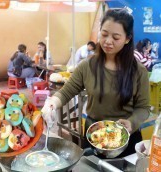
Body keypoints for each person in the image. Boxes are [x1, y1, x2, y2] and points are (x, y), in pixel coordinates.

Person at [42, 9, 150, 157]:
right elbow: (67, 91)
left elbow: (143, 108)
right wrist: (52, 103)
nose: (108, 41)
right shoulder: (87, 65)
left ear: (127, 38)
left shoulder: (139, 70)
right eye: (104, 34)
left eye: (116, 37)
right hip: (94, 136)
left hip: (126, 139)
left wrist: (131, 123)